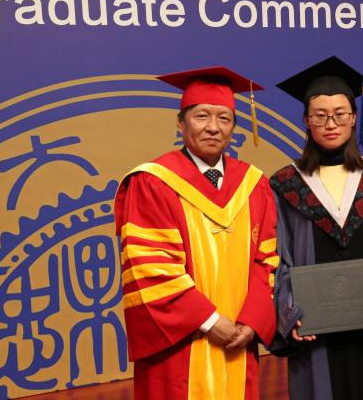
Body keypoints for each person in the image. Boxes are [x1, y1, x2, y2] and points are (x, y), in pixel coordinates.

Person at [113, 66, 279, 400]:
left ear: (234, 126)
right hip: (180, 346)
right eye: (202, 116)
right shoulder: (153, 182)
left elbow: (267, 260)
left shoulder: (254, 185)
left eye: (224, 118)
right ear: (181, 123)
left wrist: (252, 321)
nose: (213, 127)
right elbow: (151, 268)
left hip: (239, 340)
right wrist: (210, 321)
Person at [269, 56, 363, 400]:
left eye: (339, 114)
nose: (330, 123)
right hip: (316, 326)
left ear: (353, 119)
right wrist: (290, 311)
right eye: (320, 115)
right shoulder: (286, 184)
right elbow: (280, 258)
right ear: (306, 121)